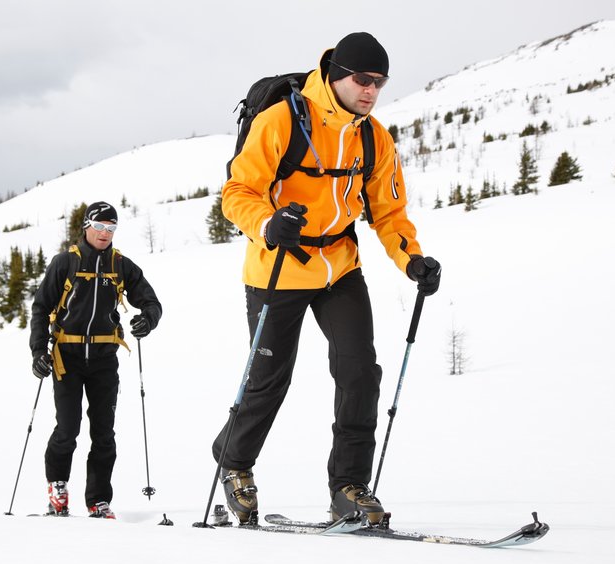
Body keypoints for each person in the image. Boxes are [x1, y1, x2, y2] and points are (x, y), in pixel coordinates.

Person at [213, 32, 442, 525]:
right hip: (278, 266)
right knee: (269, 382)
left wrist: (412, 260)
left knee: (360, 372)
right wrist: (268, 224)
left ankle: (350, 486)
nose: (371, 90)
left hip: (340, 267)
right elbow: (237, 191)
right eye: (363, 79)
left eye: (380, 82)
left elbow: (389, 212)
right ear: (336, 74)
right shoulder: (281, 122)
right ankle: (233, 465)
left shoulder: (373, 137)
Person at [29, 201, 162, 519]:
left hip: (104, 360)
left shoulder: (121, 265)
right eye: (100, 227)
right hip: (67, 358)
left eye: (111, 228)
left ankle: (99, 501)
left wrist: (148, 319)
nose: (105, 234)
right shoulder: (65, 263)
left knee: (104, 433)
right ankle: (57, 491)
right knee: (67, 429)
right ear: (86, 227)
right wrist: (38, 352)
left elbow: (151, 301)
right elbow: (40, 308)